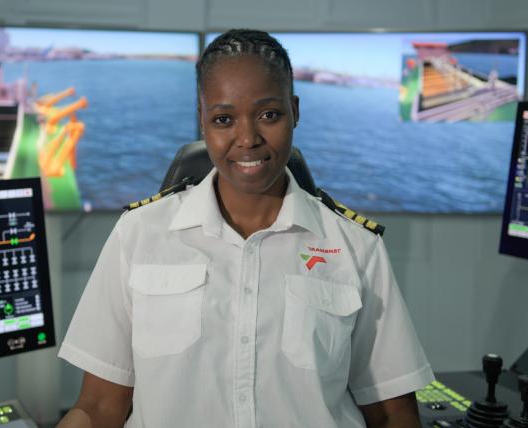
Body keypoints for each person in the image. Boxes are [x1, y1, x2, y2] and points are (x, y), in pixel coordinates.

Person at [57, 29, 434, 428]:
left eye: (269, 115)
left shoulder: (356, 247)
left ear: (295, 110)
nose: (248, 138)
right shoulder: (139, 234)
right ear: (202, 121)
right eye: (224, 119)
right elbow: (99, 408)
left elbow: (393, 412)